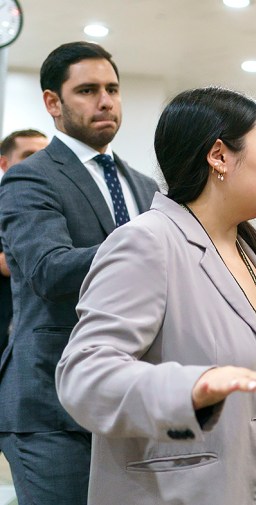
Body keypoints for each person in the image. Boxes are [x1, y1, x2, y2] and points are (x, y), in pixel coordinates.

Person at [54, 86, 256, 505]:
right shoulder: (147, 242)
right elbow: (83, 376)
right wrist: (190, 388)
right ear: (219, 156)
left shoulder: (243, 247)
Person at [0, 42, 158, 504]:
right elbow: (49, 270)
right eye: (87, 90)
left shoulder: (144, 185)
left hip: (129, 399)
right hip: (50, 405)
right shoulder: (30, 177)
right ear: (54, 102)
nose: (105, 100)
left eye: (112, 89)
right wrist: (145, 245)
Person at [0, 129, 49, 357]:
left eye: (43, 155)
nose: (38, 162)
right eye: (28, 155)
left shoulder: (51, 205)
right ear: (4, 163)